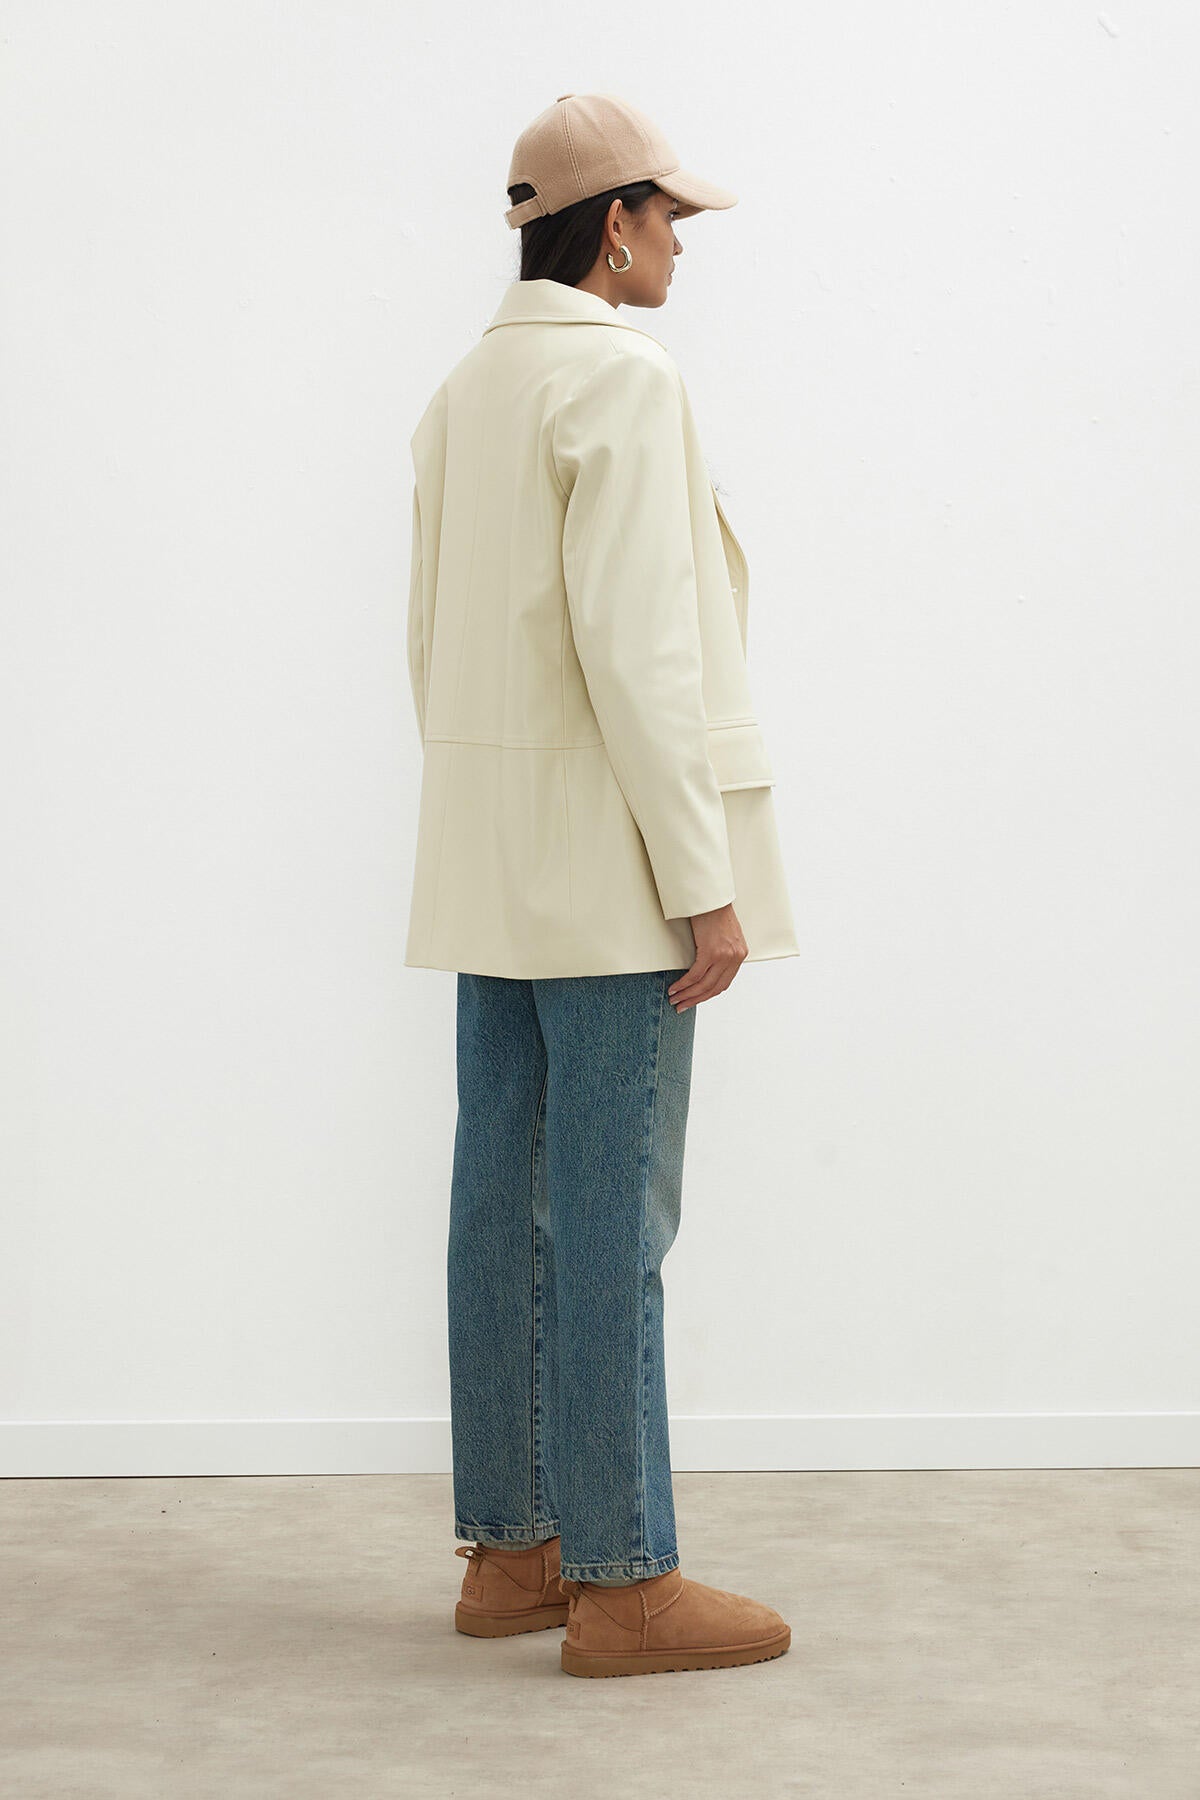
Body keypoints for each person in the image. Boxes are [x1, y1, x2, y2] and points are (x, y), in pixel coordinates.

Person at [403, 93, 799, 1677]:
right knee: (611, 1216)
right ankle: (627, 1583)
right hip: (616, 872)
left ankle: (514, 1551)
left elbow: (428, 646)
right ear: (613, 222)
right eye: (670, 217)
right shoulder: (620, 381)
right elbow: (641, 655)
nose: (682, 245)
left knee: (500, 1208)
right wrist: (705, 881)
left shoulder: (465, 391)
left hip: (495, 862)